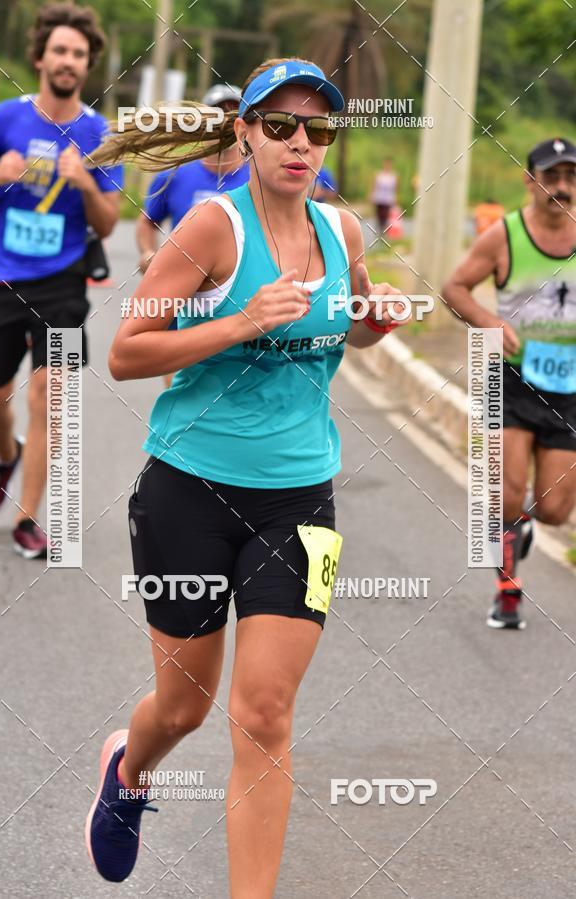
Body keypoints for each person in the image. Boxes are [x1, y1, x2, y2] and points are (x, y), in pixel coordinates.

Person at [84, 56, 410, 893]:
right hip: (188, 491)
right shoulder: (211, 229)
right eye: (280, 125)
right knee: (184, 707)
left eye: (318, 127)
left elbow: (351, 324)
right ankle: (129, 768)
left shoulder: (342, 232)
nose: (300, 142)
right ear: (247, 133)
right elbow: (126, 352)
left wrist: (373, 319)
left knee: (264, 714)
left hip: (301, 500)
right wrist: (240, 321)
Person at [0, 2, 123, 558]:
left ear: (88, 65)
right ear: (40, 58)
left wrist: (84, 183)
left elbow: (107, 223)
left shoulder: (99, 133)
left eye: (78, 54)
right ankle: (7, 454)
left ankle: (28, 517)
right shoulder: (3, 119)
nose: (68, 61)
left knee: (50, 392)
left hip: (62, 283)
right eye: (59, 50)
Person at [443, 138, 576, 630]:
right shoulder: (504, 234)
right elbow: (454, 288)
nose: (561, 186)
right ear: (530, 180)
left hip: (570, 388)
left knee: (555, 510)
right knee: (506, 495)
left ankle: (524, 530)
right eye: (551, 176)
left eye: (571, 176)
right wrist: (488, 321)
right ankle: (508, 593)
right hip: (514, 381)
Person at [135, 83, 249, 388]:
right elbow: (147, 222)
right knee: (181, 386)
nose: (224, 121)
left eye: (233, 114)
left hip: (240, 298)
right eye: (217, 114)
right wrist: (148, 254)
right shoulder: (176, 174)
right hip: (183, 296)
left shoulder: (259, 177)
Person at [371, 157, 398, 234]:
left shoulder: (393, 176)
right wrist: (372, 196)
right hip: (379, 199)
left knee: (386, 216)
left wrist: (396, 198)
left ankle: (384, 231)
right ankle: (379, 230)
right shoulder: (379, 175)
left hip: (388, 200)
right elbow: (374, 186)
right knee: (379, 216)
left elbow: (395, 188)